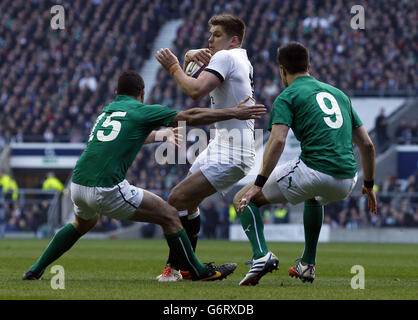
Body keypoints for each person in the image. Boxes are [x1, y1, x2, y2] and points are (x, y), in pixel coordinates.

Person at [22, 70, 266, 281]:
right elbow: (190, 117)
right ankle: (198, 271)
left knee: (82, 223)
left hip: (77, 185)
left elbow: (126, 138)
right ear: (142, 93)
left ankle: (35, 269)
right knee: (170, 215)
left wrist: (161, 136)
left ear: (117, 92)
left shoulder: (106, 113)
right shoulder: (141, 110)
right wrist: (233, 112)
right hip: (106, 189)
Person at [234, 42, 377, 286]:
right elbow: (367, 145)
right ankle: (307, 265)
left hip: (313, 172)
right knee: (314, 197)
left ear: (282, 70)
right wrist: (369, 185)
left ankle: (261, 256)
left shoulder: (287, 96)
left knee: (242, 199)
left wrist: (258, 183)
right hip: (347, 180)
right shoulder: (339, 94)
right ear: (309, 66)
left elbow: (278, 140)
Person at [155, 14, 259, 282]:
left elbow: (195, 90)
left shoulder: (226, 57)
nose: (209, 39)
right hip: (222, 144)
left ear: (233, 40)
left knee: (176, 199)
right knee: (187, 204)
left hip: (232, 151)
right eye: (210, 33)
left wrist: (174, 66)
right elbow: (198, 71)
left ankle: (177, 268)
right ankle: (182, 269)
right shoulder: (240, 58)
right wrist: (190, 54)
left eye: (216, 35)